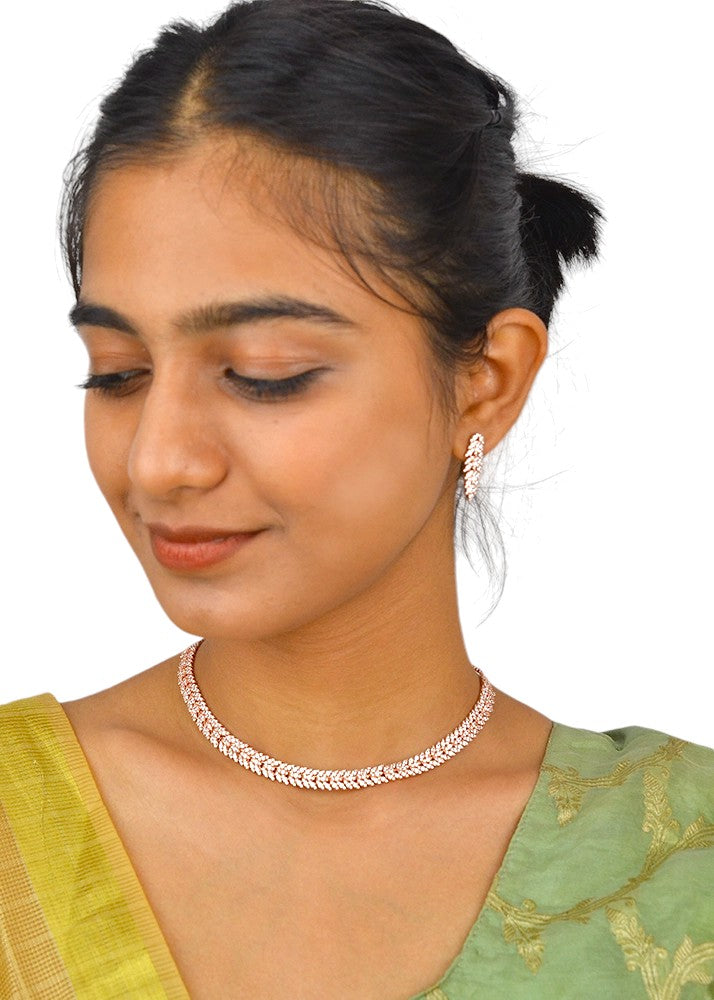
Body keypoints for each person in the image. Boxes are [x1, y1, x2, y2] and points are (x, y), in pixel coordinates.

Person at [1, 1, 712, 997]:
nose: (159, 461)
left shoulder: (684, 864)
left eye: (265, 373)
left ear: (486, 382)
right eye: (118, 371)